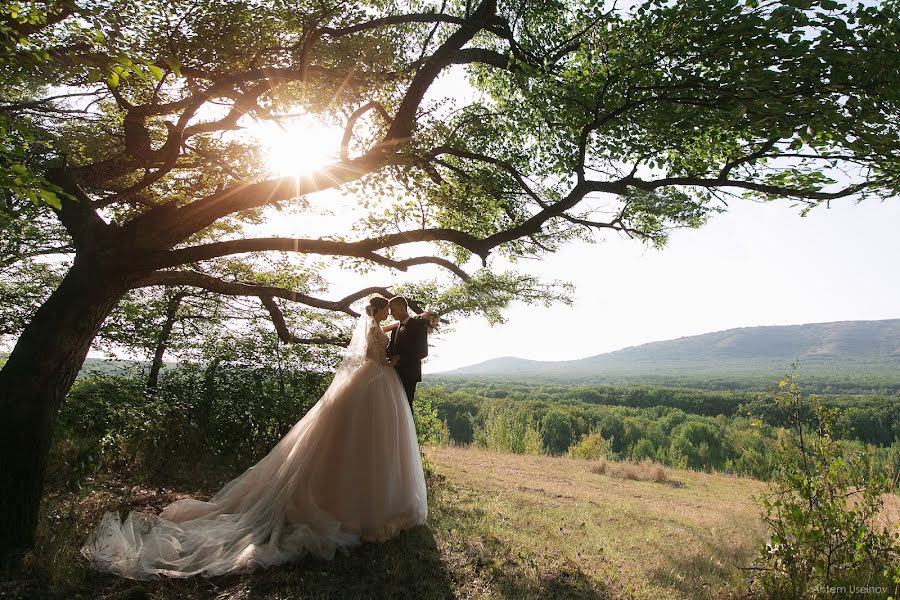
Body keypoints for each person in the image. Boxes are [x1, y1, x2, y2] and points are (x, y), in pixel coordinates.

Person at [80, 296, 427, 580]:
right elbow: (376, 355)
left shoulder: (377, 324)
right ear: (380, 311)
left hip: (367, 386)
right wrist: (391, 359)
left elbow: (394, 328)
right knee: (366, 442)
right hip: (376, 381)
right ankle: (364, 504)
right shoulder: (376, 330)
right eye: (387, 310)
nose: (389, 315)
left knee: (353, 441)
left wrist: (419, 319)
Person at [385, 296, 430, 411]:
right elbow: (390, 350)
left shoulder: (418, 326)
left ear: (402, 308)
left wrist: (400, 358)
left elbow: (423, 352)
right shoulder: (395, 328)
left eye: (393, 310)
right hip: (393, 374)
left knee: (406, 408)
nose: (391, 313)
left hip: (409, 375)